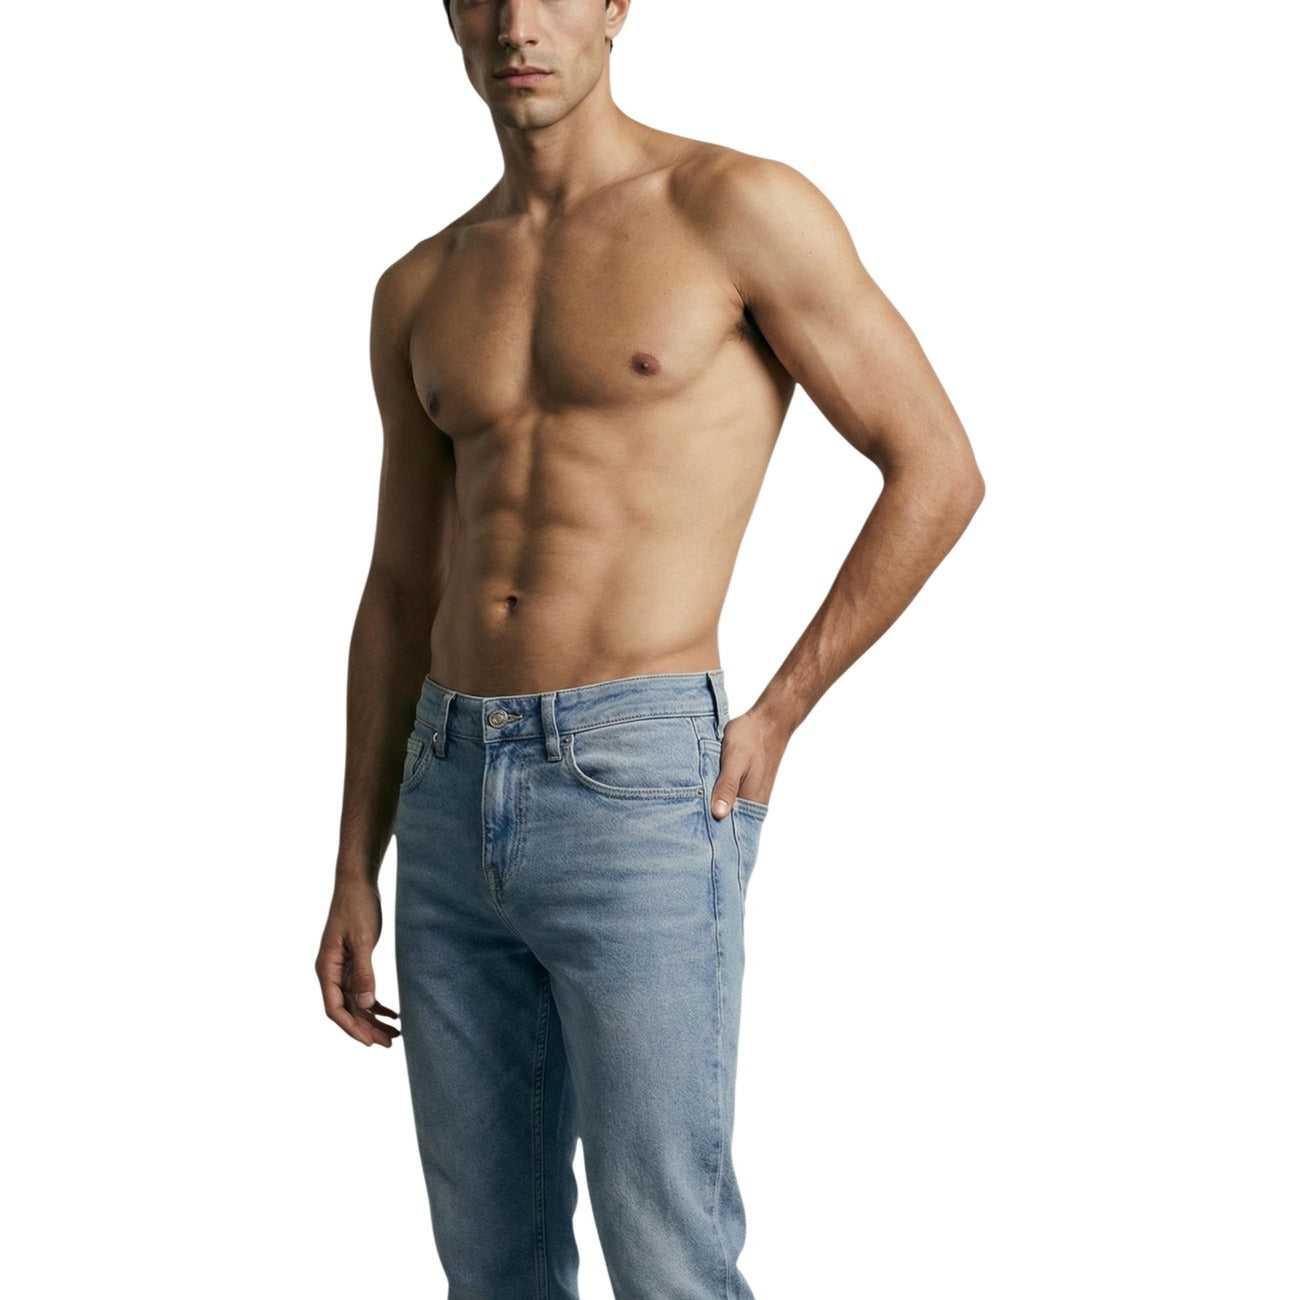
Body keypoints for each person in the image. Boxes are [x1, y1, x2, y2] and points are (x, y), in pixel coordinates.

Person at [315, 1, 984, 1295]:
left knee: (667, 1250)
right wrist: (356, 861)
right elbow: (399, 588)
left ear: (618, 5)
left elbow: (937, 469)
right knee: (489, 1266)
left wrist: (779, 711)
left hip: (635, 776)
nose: (519, 24)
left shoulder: (734, 209)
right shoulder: (421, 285)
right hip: (445, 788)